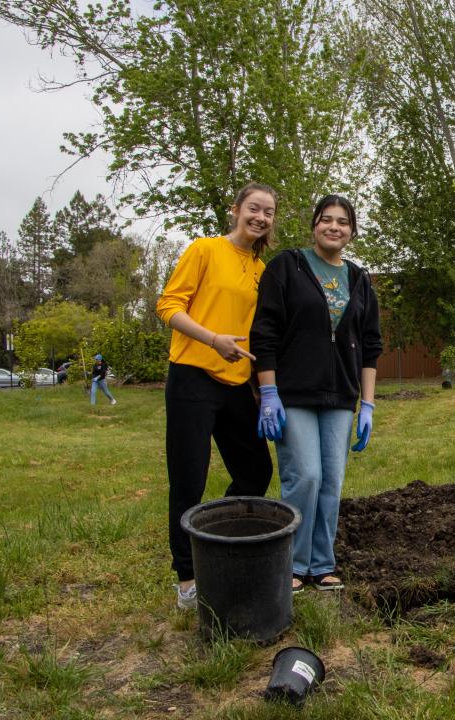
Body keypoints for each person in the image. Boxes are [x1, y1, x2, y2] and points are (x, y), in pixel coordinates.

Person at [251, 194, 382, 592]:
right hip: (293, 392)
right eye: (326, 220)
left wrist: (368, 403)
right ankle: (291, 563)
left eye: (343, 222)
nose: (334, 227)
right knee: (304, 476)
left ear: (352, 231)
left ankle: (321, 564)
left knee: (331, 481)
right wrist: (268, 391)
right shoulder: (287, 266)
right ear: (314, 225)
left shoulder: (360, 279)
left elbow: (371, 344)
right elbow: (265, 332)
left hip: (341, 395)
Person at [156, 182, 276, 610]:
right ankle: (187, 578)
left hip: (236, 383)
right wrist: (212, 339)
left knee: (256, 470)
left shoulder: (263, 271)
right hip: (192, 375)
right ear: (236, 210)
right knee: (188, 477)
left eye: (268, 212)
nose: (260, 218)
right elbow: (168, 307)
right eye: (254, 208)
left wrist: (265, 389)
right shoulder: (204, 250)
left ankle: (209, 531)